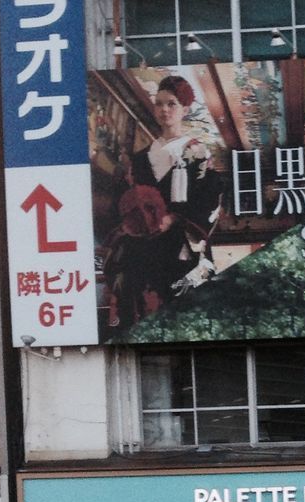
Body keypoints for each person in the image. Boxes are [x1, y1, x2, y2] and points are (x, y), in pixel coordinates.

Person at [104, 74, 221, 329]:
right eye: (159, 104)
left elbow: (210, 198)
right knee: (143, 311)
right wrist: (132, 224)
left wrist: (175, 219)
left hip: (180, 246)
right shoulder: (138, 160)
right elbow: (121, 202)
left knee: (183, 317)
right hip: (143, 247)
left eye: (172, 104)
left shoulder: (197, 152)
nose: (164, 110)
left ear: (185, 110)